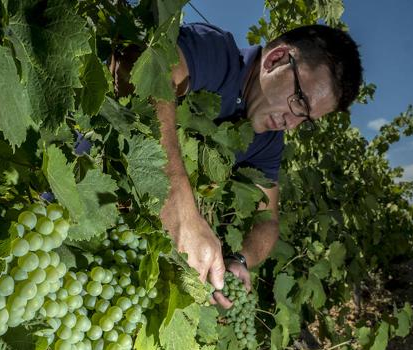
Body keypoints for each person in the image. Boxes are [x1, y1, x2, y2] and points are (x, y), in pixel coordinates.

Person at [112, 22, 363, 307]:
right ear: (276, 59)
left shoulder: (268, 141)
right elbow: (150, 69)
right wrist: (176, 197)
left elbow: (268, 221)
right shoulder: (219, 55)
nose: (291, 124)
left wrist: (241, 259)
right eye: (299, 103)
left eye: (304, 120)